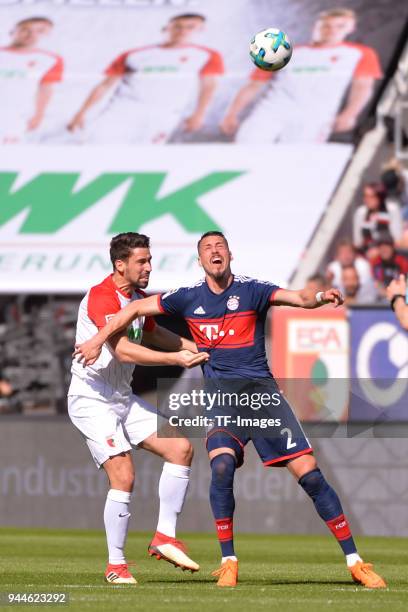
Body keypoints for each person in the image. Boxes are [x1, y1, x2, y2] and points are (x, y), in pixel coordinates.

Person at [74, 231, 386, 590]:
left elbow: (298, 297)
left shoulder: (253, 290)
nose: (214, 251)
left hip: (262, 398)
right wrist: (101, 340)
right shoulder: (182, 296)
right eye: (207, 248)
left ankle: (355, 561)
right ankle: (225, 562)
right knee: (217, 466)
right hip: (181, 400)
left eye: (219, 246)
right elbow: (128, 330)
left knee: (309, 474)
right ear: (200, 261)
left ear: (230, 255)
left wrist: (318, 296)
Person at [68, 232, 209, 584]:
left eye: (149, 259)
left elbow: (155, 333)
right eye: (141, 261)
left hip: (120, 397)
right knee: (124, 475)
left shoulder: (137, 299)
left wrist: (196, 347)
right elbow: (124, 351)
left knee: (180, 448)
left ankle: (164, 537)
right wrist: (176, 359)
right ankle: (116, 566)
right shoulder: (102, 297)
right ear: (121, 265)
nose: (149, 266)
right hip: (91, 397)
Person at [220, 8, 382, 143]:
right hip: (272, 110)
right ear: (316, 27)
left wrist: (350, 114)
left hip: (315, 117)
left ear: (350, 28)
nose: (332, 30)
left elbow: (362, 86)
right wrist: (231, 113)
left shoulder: (361, 54)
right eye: (326, 25)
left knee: (294, 161)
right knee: (245, 148)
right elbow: (254, 85)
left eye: (340, 26)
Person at [67, 13, 224, 144]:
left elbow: (209, 86)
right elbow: (105, 85)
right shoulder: (134, 54)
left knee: (144, 157)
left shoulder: (207, 55)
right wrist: (81, 113)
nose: (183, 31)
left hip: (163, 114)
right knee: (96, 146)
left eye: (190, 27)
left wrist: (199, 114)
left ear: (201, 30)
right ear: (167, 28)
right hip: (122, 110)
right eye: (178, 26)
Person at [0, 17, 63, 144]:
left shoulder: (51, 60)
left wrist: (38, 115)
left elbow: (45, 89)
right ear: (13, 31)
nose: (32, 34)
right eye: (26, 30)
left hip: (15, 117)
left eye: (40, 31)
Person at [353, 182, 403, 254]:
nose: (366, 200)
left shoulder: (391, 209)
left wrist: (380, 251)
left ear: (380, 197)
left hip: (389, 251)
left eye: (371, 197)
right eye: (365, 196)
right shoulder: (361, 213)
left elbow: (398, 239)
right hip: (368, 252)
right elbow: (358, 242)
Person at [370, 234, 408, 300]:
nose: (384, 250)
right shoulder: (376, 262)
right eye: (381, 248)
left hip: (401, 294)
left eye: (387, 247)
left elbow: (405, 282)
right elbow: (378, 283)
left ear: (392, 247)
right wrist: (387, 294)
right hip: (384, 296)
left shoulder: (402, 261)